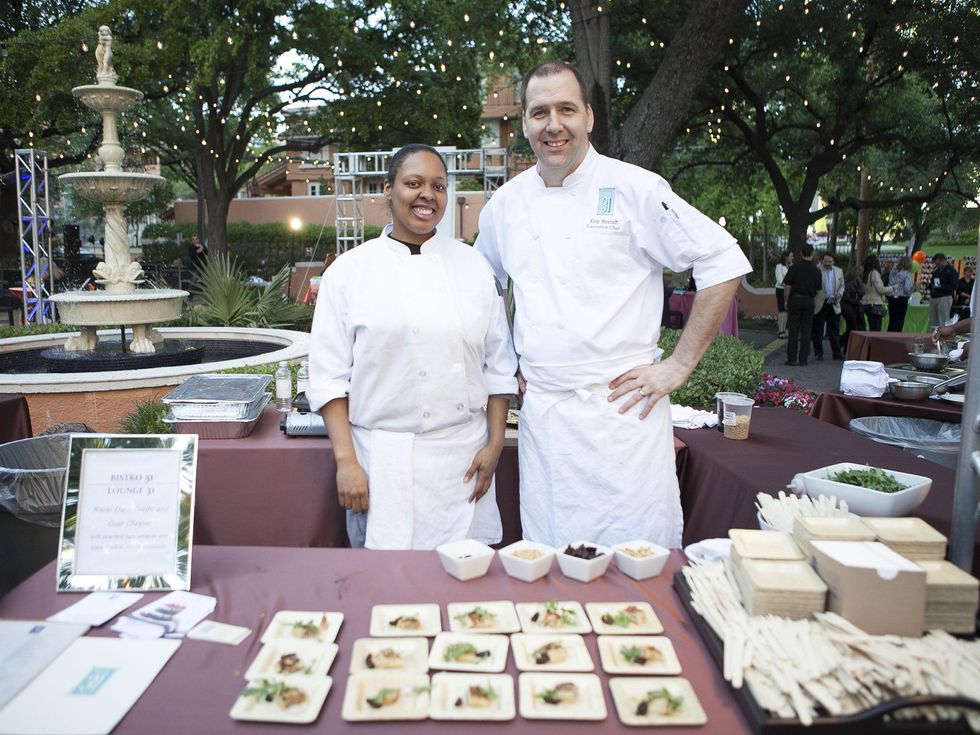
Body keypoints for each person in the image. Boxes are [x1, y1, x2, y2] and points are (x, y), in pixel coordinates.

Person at [475, 61, 751, 549]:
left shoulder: (634, 189)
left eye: (566, 109)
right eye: (540, 112)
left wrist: (679, 365)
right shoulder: (505, 205)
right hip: (546, 417)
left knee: (635, 559)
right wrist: (505, 362)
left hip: (623, 414)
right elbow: (483, 287)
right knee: (552, 558)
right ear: (523, 123)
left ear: (588, 117)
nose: (553, 125)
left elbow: (722, 258)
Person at [306, 144, 518, 549]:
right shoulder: (350, 272)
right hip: (381, 461)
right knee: (385, 590)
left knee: (464, 585)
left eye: (438, 186)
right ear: (389, 189)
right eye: (413, 183)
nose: (427, 195)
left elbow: (499, 368)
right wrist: (346, 462)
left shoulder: (473, 267)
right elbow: (329, 379)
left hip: (463, 460)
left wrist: (493, 446)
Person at [782, 243, 822, 365]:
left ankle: (792, 358)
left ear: (801, 253)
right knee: (806, 330)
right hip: (809, 300)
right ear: (812, 254)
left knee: (793, 329)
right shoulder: (816, 270)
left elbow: (787, 286)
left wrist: (786, 300)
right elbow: (819, 290)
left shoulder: (794, 267)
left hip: (795, 299)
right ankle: (803, 359)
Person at [811, 252, 844, 360]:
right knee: (818, 329)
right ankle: (818, 353)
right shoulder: (817, 270)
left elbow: (842, 285)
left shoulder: (839, 271)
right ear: (823, 261)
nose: (827, 263)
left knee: (834, 329)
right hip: (821, 303)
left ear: (833, 262)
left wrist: (839, 293)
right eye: (825, 261)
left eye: (830, 261)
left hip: (833, 302)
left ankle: (837, 353)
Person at [861, 255, 892, 332]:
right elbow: (881, 289)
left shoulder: (865, 273)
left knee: (872, 326)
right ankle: (873, 343)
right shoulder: (874, 273)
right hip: (875, 303)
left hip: (866, 303)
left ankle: (869, 343)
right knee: (876, 328)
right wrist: (892, 287)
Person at [927, 253, 958, 329]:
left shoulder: (951, 271)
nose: (936, 265)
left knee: (943, 319)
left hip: (944, 297)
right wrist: (929, 286)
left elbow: (954, 286)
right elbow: (933, 283)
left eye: (937, 263)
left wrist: (942, 287)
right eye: (935, 263)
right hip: (934, 297)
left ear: (943, 261)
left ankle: (944, 336)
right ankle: (934, 335)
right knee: (933, 320)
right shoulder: (936, 272)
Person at [840, 264, 865, 351]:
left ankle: (844, 345)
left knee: (851, 328)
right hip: (848, 308)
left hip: (850, 307)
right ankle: (842, 343)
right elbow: (847, 297)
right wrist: (858, 302)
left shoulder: (850, 283)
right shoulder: (851, 284)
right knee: (852, 328)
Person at [887, 255, 914, 332]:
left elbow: (890, 283)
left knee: (892, 319)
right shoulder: (907, 274)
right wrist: (911, 291)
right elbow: (907, 288)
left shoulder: (893, 272)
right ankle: (896, 336)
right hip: (902, 298)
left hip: (891, 297)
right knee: (899, 320)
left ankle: (889, 336)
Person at [774, 250, 793, 339]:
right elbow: (780, 280)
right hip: (781, 290)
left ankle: (785, 330)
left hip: (788, 290)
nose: (792, 258)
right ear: (786, 257)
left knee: (787, 311)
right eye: (791, 256)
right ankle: (780, 330)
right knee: (782, 310)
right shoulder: (779, 267)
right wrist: (788, 285)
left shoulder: (791, 266)